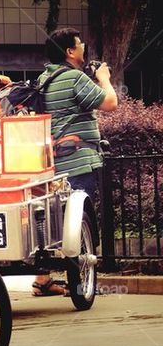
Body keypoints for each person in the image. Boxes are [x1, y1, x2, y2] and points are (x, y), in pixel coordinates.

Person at [32, 27, 118, 296]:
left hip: (54, 163)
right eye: (80, 43)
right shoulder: (73, 77)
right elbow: (110, 103)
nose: (84, 46)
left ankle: (42, 279)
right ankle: (81, 285)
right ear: (70, 51)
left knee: (54, 220)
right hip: (79, 161)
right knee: (80, 222)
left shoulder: (45, 78)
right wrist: (103, 78)